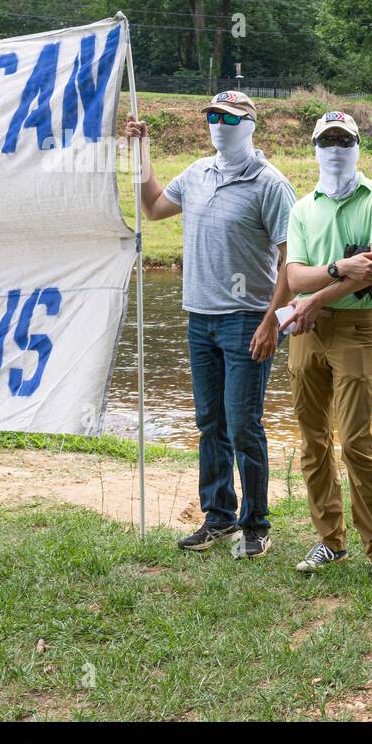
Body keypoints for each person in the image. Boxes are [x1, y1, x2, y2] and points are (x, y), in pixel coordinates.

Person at [128, 90, 297, 559]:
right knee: (210, 422)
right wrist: (139, 152)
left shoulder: (271, 184)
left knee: (244, 424)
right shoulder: (197, 173)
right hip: (198, 317)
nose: (219, 123)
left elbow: (292, 260)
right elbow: (154, 207)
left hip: (248, 320)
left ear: (250, 125)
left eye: (230, 117)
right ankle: (218, 516)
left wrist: (273, 321)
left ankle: (256, 524)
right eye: (213, 116)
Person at [285, 110, 372, 587]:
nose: (335, 147)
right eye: (326, 139)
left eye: (344, 139)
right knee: (313, 441)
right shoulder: (302, 207)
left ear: (358, 145)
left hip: (356, 326)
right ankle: (329, 540)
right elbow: (294, 276)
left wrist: (315, 295)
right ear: (315, 147)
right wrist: (338, 270)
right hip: (304, 332)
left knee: (356, 440)